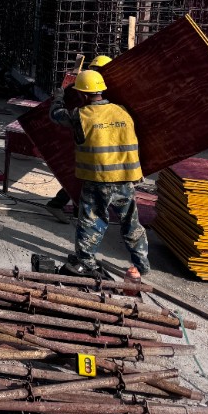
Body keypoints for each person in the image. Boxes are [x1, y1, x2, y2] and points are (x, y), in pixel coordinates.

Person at [49, 69, 149, 285]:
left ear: (83, 95)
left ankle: (86, 261)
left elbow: (55, 115)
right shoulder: (122, 111)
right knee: (130, 223)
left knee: (91, 220)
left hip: (99, 179)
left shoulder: (81, 115)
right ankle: (141, 264)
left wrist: (59, 96)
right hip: (125, 178)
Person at [45, 54, 112, 223]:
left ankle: (67, 206)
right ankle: (65, 206)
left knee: (83, 177)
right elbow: (59, 115)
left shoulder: (93, 93)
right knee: (83, 177)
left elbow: (57, 114)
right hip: (91, 140)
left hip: (93, 139)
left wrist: (58, 98)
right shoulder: (97, 97)